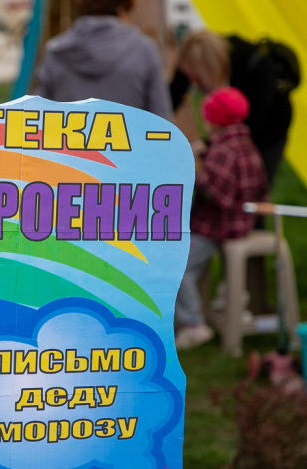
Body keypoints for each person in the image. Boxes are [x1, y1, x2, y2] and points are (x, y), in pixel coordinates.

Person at [174, 87, 269, 350]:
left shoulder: (224, 151)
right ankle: (232, 300)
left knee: (177, 266)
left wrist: (195, 167)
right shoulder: (245, 145)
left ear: (214, 120)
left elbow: (219, 195)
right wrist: (205, 155)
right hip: (242, 224)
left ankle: (194, 325)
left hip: (216, 227)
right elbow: (259, 187)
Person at [172, 30, 297, 183]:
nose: (195, 84)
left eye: (198, 79)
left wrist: (208, 147)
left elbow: (247, 130)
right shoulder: (193, 58)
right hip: (239, 128)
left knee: (250, 183)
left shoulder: (254, 67)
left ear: (210, 68)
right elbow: (173, 93)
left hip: (268, 131)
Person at [33, 0, 172, 120]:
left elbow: (35, 118)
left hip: (68, 143)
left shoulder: (55, 53)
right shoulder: (144, 51)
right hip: (130, 143)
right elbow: (163, 125)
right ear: (122, 6)